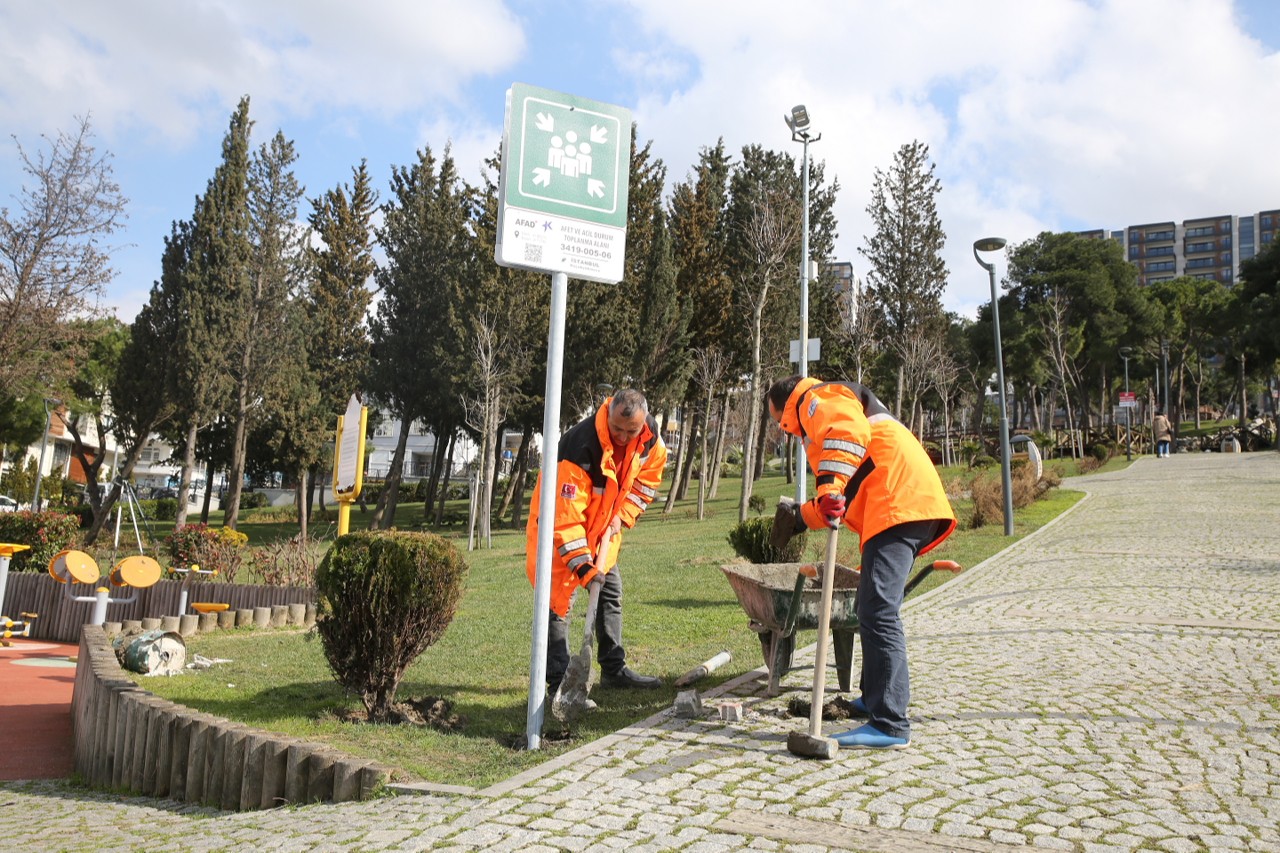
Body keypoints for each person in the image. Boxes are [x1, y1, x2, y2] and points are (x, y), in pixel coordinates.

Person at [767, 375, 956, 750]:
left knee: (879, 610)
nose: (786, 432)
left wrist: (829, 486)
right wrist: (802, 517)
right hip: (894, 500)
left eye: (781, 423)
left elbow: (844, 437)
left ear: (786, 409)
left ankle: (889, 724)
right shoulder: (830, 403)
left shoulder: (817, 400)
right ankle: (873, 699)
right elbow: (841, 493)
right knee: (871, 607)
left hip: (897, 502)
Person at [525, 388, 668, 703]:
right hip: (557, 535)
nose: (622, 436)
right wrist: (584, 568)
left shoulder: (649, 439)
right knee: (555, 606)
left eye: (630, 431)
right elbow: (564, 519)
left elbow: (649, 479)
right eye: (617, 428)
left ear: (643, 423)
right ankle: (559, 685)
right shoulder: (580, 445)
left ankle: (614, 671)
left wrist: (624, 516)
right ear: (609, 412)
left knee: (610, 593)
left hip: (604, 531)